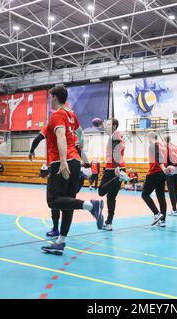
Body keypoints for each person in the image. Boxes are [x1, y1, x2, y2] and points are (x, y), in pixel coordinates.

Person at [40, 86, 104, 255]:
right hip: (75, 159)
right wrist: (79, 147)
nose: (49, 100)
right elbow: (80, 133)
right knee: (67, 202)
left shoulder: (57, 115)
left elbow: (60, 136)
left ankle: (91, 206)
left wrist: (62, 161)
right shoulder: (71, 115)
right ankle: (60, 242)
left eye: (49, 97)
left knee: (53, 201)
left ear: (54, 97)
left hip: (63, 161)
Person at [29, 110, 88, 238]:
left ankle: (57, 228)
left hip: (59, 164)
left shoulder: (53, 126)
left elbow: (38, 138)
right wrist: (84, 164)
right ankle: (62, 238)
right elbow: (80, 145)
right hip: (75, 165)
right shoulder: (72, 133)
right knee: (68, 200)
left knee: (54, 200)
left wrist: (31, 151)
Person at [98, 118, 131, 231]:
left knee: (101, 191)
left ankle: (118, 177)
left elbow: (116, 151)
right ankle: (109, 223)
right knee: (111, 197)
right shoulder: (117, 135)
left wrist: (116, 167)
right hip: (120, 168)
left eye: (109, 124)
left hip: (113, 168)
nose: (106, 125)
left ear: (114, 125)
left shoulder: (115, 136)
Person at [142, 132, 168, 227]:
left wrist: (162, 167)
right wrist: (164, 168)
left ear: (150, 138)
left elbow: (158, 156)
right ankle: (163, 220)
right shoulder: (162, 146)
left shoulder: (153, 145)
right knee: (161, 196)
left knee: (145, 194)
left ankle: (157, 213)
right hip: (162, 173)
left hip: (155, 172)